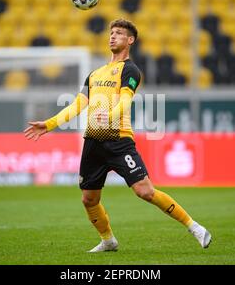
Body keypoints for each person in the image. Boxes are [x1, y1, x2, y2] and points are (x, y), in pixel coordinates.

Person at [24, 18, 211, 252]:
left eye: (119, 33)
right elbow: (77, 105)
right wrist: (49, 124)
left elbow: (125, 101)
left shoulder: (130, 70)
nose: (113, 36)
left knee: (145, 191)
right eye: (111, 32)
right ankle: (108, 240)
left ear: (130, 40)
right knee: (89, 199)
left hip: (119, 141)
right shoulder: (94, 74)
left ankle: (194, 226)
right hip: (93, 142)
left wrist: (110, 115)